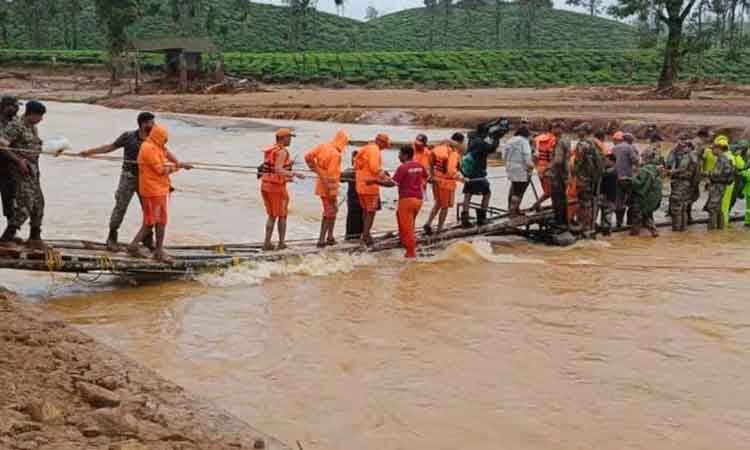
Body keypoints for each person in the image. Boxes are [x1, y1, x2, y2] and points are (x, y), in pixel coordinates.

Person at [80, 112, 191, 251]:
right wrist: (89, 152)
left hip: (147, 181)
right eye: (152, 123)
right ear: (143, 124)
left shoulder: (153, 139)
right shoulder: (128, 137)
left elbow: (165, 153)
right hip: (129, 176)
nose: (154, 125)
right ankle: (112, 238)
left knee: (148, 211)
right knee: (121, 207)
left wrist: (180, 163)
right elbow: (110, 147)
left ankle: (147, 240)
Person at [126, 124, 191, 261]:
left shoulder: (155, 145)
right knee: (154, 221)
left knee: (157, 221)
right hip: (152, 190)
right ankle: (153, 251)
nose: (165, 142)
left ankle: (151, 249)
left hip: (158, 189)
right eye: (164, 139)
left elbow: (166, 153)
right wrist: (178, 167)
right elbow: (161, 170)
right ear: (157, 137)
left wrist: (180, 163)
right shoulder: (148, 149)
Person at [0, 101, 47, 247]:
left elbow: (35, 145)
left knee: (39, 203)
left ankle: (35, 237)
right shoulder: (16, 126)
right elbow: (2, 146)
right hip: (20, 172)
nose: (41, 119)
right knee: (25, 204)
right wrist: (19, 161)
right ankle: (7, 238)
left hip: (33, 171)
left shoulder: (32, 128)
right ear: (31, 114)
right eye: (40, 116)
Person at [371, 145, 429, 258]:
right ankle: (404, 242)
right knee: (405, 221)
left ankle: (410, 254)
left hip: (406, 200)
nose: (398, 156)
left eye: (400, 154)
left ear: (405, 155)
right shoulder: (419, 165)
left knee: (408, 228)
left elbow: (392, 184)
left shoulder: (403, 168)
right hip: (418, 199)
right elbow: (427, 177)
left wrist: (375, 182)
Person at [261, 128, 304, 251]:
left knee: (271, 215)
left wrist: (287, 175)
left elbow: (272, 168)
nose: (290, 140)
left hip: (265, 185)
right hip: (276, 188)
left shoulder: (271, 150)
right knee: (282, 215)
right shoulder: (282, 152)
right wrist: (294, 174)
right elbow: (278, 169)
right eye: (289, 137)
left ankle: (267, 243)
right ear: (283, 138)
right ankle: (281, 243)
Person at [304, 130, 349, 248]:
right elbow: (332, 177)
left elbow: (308, 156)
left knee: (330, 212)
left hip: (321, 183)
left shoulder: (323, 146)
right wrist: (333, 195)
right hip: (328, 187)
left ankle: (329, 237)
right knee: (330, 212)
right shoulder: (336, 155)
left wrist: (316, 170)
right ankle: (322, 239)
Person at [460, 125, 502, 227]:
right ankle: (481, 218)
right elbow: (491, 149)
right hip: (478, 173)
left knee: (468, 194)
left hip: (468, 172)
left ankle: (464, 219)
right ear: (484, 133)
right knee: (487, 193)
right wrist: (496, 139)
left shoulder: (472, 139)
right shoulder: (481, 142)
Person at [424, 133, 464, 235]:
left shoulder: (439, 148)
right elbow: (451, 171)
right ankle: (439, 229)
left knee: (437, 203)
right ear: (460, 142)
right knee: (444, 207)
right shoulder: (453, 152)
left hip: (435, 180)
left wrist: (432, 176)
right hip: (446, 183)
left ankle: (428, 223)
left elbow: (430, 163)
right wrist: (461, 178)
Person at [354, 133, 390, 246]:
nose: (384, 148)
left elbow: (356, 164)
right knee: (371, 212)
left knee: (365, 210)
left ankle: (365, 233)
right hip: (370, 187)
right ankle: (365, 236)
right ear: (381, 142)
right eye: (385, 145)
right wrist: (386, 177)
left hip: (360, 185)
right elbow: (375, 168)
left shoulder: (365, 148)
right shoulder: (375, 150)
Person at [573, 123, 604, 234]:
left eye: (579, 130)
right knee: (589, 202)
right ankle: (589, 226)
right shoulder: (595, 143)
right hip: (593, 179)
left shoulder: (582, 144)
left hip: (583, 178)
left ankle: (583, 225)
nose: (577, 133)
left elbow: (578, 162)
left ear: (584, 132)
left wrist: (572, 175)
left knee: (583, 202)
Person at [665, 136, 699, 232]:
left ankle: (676, 230)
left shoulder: (687, 156)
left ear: (688, 147)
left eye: (684, 146)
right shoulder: (695, 156)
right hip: (688, 184)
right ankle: (682, 231)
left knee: (676, 208)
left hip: (681, 183)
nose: (682, 148)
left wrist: (671, 172)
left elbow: (682, 169)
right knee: (683, 207)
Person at [628, 150, 662, 237]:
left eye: (642, 157)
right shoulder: (655, 169)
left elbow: (638, 183)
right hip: (651, 197)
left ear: (645, 158)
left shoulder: (644, 170)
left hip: (641, 197)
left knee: (637, 216)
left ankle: (634, 234)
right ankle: (654, 231)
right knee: (645, 215)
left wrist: (631, 178)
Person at [503, 126, 534, 217]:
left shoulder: (509, 140)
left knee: (514, 188)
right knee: (518, 191)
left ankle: (513, 209)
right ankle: (513, 212)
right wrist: (531, 166)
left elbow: (503, 156)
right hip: (521, 169)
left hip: (510, 168)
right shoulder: (524, 142)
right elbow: (527, 156)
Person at [705, 136, 735, 230]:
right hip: (721, 186)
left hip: (718, 186)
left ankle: (711, 230)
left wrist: (706, 173)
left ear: (719, 148)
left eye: (713, 148)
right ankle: (719, 229)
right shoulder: (724, 158)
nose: (712, 150)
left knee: (712, 208)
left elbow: (716, 174)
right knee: (718, 208)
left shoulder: (722, 159)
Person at [0, 96, 20, 233]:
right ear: (5, 106)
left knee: (10, 198)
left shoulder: (15, 121)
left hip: (9, 167)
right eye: (13, 106)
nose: (16, 109)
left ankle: (10, 232)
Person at [612, 131, 640, 227]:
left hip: (617, 178)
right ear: (630, 141)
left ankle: (618, 223)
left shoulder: (614, 148)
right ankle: (630, 223)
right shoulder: (630, 148)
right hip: (628, 178)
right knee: (632, 200)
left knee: (619, 200)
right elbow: (635, 161)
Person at [547, 122, 571, 228]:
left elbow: (558, 160)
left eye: (554, 128)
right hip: (564, 174)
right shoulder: (566, 140)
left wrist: (547, 168)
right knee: (562, 197)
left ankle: (559, 221)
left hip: (558, 174)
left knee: (557, 198)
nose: (552, 130)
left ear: (560, 129)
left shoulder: (560, 141)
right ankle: (564, 220)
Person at [532, 125, 556, 207]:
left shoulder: (537, 139)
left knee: (549, 191)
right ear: (552, 130)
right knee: (550, 191)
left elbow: (534, 155)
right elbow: (552, 156)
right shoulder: (553, 139)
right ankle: (535, 205)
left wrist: (536, 167)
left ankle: (552, 205)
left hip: (539, 168)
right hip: (548, 168)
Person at [342, 151, 363, 240]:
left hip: (359, 202)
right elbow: (341, 178)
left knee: (358, 225)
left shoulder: (366, 171)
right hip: (353, 203)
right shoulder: (350, 171)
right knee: (353, 226)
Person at [599, 153, 618, 235]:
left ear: (612, 161)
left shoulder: (611, 172)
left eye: (607, 160)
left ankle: (606, 233)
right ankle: (606, 233)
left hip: (609, 198)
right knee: (605, 216)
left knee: (607, 216)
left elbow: (607, 186)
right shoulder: (610, 171)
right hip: (608, 197)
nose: (605, 162)